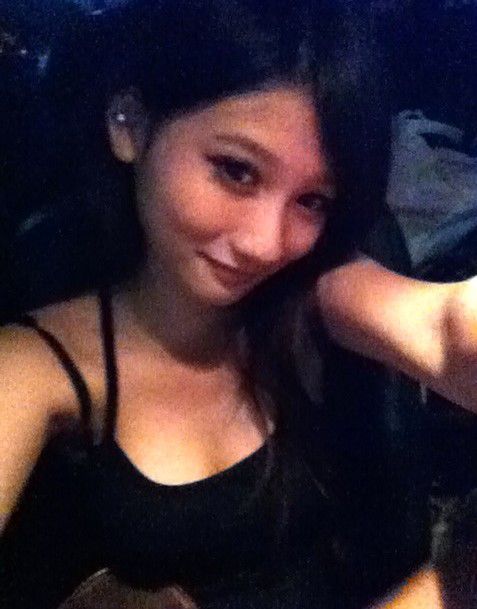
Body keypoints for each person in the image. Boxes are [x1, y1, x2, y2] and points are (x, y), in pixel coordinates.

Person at [1, 1, 475, 608]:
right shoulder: (31, 367)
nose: (266, 245)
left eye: (312, 201)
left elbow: (443, 326)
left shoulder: (308, 291)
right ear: (130, 124)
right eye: (236, 171)